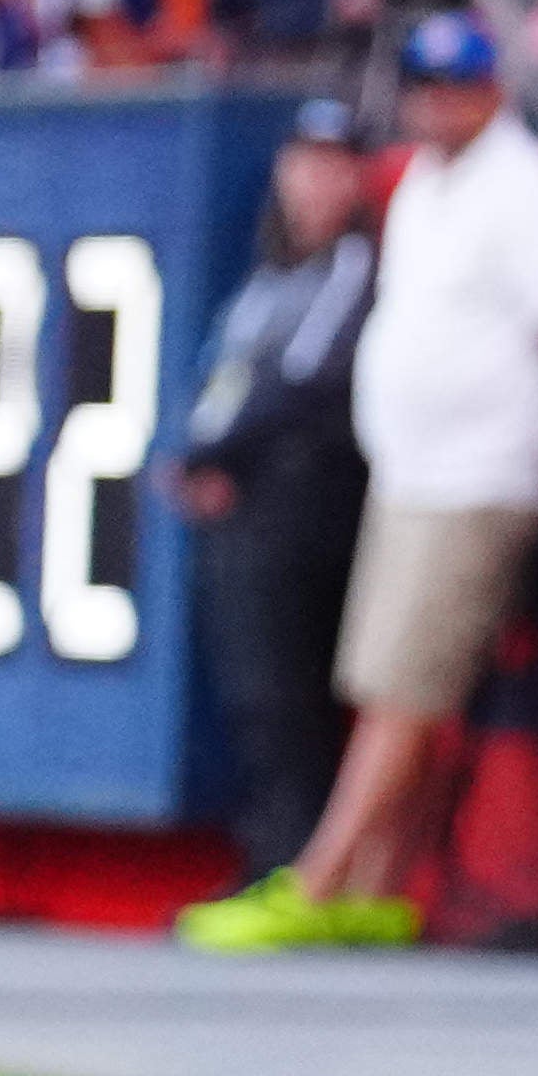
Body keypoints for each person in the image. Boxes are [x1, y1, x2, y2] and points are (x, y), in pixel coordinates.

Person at [195, 17, 538, 950]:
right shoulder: (421, 182)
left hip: (478, 472)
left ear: (493, 90)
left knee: (402, 689)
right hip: (413, 472)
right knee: (391, 679)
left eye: (457, 87)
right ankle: (376, 886)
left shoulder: (526, 190)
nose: (438, 105)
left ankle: (318, 879)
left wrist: (497, 388)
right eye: (424, 88)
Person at [169, 104, 381, 904]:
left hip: (302, 498)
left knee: (288, 691)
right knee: (251, 691)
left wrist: (217, 453)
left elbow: (304, 376)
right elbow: (226, 377)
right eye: (304, 161)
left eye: (333, 164)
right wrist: (198, 455)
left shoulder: (353, 265)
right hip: (243, 501)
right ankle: (268, 858)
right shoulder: (267, 275)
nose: (315, 181)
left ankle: (300, 867)